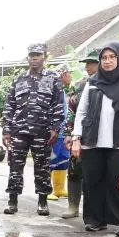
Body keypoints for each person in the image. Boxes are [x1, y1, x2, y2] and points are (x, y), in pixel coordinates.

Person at [71, 42, 119, 236]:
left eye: (112, 57)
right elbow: (82, 111)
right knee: (92, 182)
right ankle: (95, 220)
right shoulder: (93, 81)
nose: (107, 61)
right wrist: (76, 138)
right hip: (92, 141)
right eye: (104, 58)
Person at [3, 43, 66, 216]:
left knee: (42, 167)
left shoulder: (53, 78)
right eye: (31, 55)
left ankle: (42, 202)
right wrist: (6, 130)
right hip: (19, 131)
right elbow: (9, 105)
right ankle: (12, 201)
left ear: (44, 56)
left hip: (42, 131)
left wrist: (55, 128)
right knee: (15, 166)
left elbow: (58, 105)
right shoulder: (19, 79)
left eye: (37, 55)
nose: (34, 58)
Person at [61, 50, 97, 219]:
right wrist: (68, 134)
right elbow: (71, 111)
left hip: (103, 137)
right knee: (75, 169)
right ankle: (73, 206)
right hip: (80, 134)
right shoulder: (80, 85)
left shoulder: (113, 84)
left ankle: (98, 211)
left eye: (92, 63)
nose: (87, 66)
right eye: (87, 63)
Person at [49, 69, 73, 199]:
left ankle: (59, 188)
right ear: (63, 75)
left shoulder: (62, 90)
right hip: (55, 131)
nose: (71, 77)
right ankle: (47, 189)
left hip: (64, 131)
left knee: (63, 158)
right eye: (69, 74)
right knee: (51, 158)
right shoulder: (53, 89)